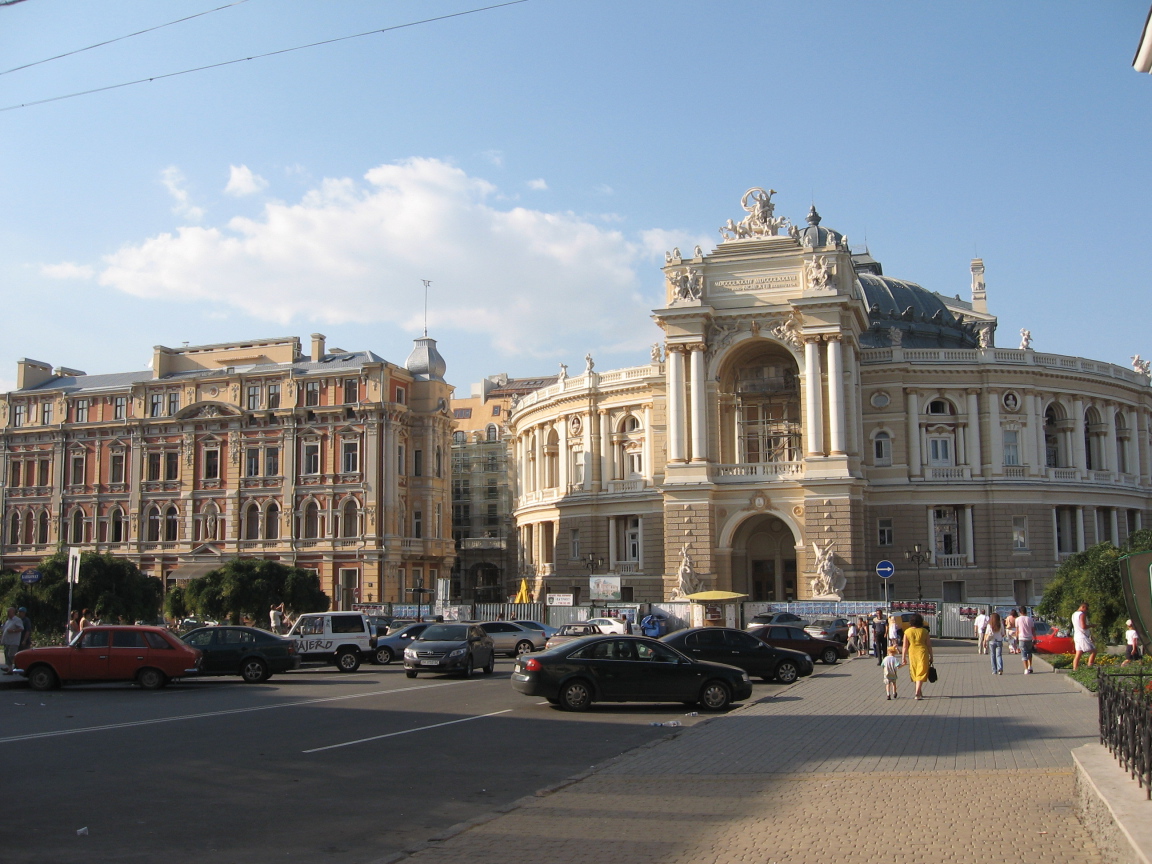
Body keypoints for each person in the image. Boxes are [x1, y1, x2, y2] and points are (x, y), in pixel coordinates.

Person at [901, 613, 933, 700]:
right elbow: (929, 645)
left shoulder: (907, 632)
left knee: (915, 671)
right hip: (922, 652)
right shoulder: (924, 631)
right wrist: (931, 656)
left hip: (912, 653)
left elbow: (904, 646)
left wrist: (903, 657)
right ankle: (917, 693)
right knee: (921, 671)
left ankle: (918, 690)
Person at [1071, 602, 1096, 671]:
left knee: (1078, 653)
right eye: (1086, 609)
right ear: (1083, 607)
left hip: (1076, 636)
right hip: (1082, 636)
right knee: (1093, 651)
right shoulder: (1082, 614)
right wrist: (1091, 625)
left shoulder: (1074, 614)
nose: (1087, 611)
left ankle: (1075, 669)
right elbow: (1083, 626)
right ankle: (1090, 668)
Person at [1, 607, 24, 674]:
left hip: (13, 641)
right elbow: (4, 630)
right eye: (7, 612)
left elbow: (21, 628)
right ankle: (9, 669)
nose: (8, 613)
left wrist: (13, 631)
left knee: (11, 655)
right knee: (7, 655)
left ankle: (17, 667)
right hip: (7, 641)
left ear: (13, 612)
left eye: (9, 612)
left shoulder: (17, 620)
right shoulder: (8, 621)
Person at [1016, 606, 1036, 674]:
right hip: (1029, 638)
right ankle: (1030, 666)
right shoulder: (1030, 619)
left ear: (1020, 612)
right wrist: (1035, 638)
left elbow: (1017, 630)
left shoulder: (1017, 619)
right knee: (1029, 652)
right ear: (1026, 611)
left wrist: (1016, 638)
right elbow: (1033, 630)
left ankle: (1026, 669)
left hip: (1021, 638)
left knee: (1023, 653)